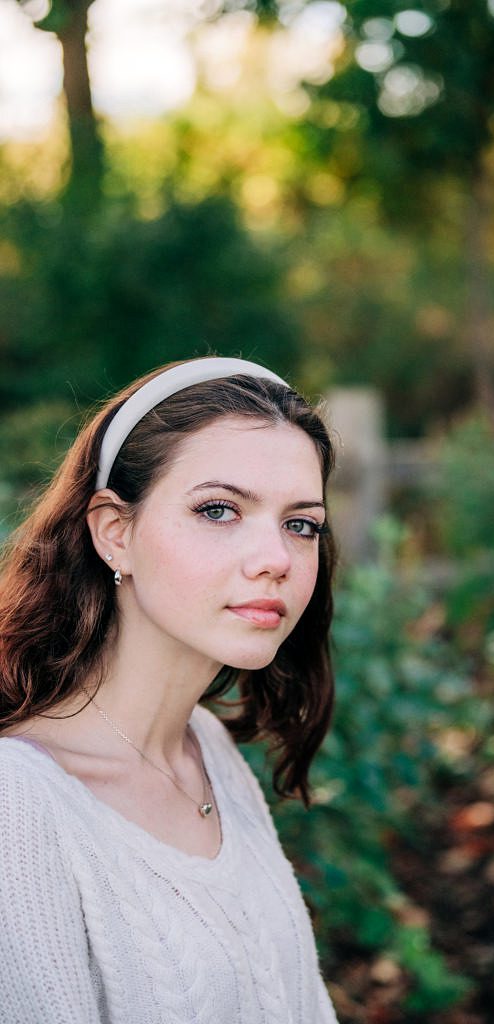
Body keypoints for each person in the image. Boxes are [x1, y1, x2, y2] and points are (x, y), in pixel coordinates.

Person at [0, 356, 339, 1024]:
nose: (275, 557)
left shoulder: (207, 748)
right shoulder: (19, 805)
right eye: (219, 510)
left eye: (301, 523)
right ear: (115, 533)